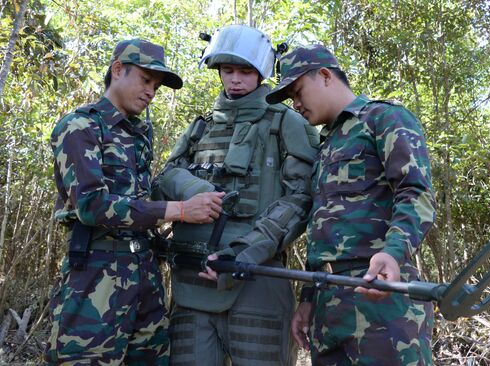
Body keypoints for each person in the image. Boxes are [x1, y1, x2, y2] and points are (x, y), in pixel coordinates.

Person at [45, 39, 224, 365]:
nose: (151, 92)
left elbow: (142, 200)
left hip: (144, 272)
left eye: (155, 85)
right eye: (145, 80)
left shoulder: (139, 134)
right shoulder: (80, 127)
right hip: (96, 276)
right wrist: (181, 211)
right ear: (117, 70)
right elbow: (91, 205)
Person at [152, 25, 319, 366]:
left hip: (257, 281)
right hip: (191, 282)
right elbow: (163, 179)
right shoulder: (202, 127)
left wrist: (248, 251)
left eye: (245, 71)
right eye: (228, 70)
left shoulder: (287, 123)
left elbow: (302, 198)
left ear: (261, 72)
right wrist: (192, 190)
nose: (236, 80)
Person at [265, 44, 437, 365]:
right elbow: (324, 228)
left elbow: (416, 193)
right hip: (329, 304)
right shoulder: (326, 144)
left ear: (326, 76)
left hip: (382, 300)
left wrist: (393, 253)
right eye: (291, 98)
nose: (296, 104)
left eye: (298, 92)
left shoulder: (383, 118)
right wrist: (309, 298)